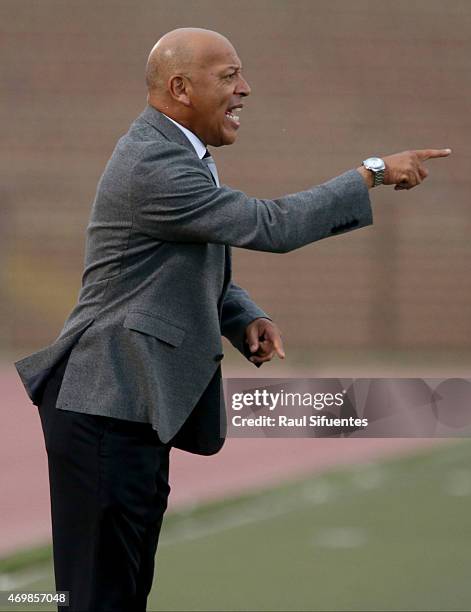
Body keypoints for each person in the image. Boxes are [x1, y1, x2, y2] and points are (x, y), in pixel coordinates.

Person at [14, 26, 451, 612]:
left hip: (130, 406)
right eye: (228, 77)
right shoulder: (153, 162)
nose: (244, 89)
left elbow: (178, 261)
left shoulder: (178, 152)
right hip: (104, 402)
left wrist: (241, 314)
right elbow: (271, 225)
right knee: (96, 596)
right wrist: (370, 171)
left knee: (120, 592)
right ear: (179, 88)